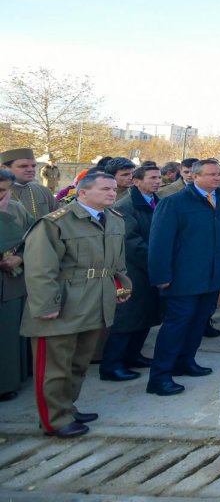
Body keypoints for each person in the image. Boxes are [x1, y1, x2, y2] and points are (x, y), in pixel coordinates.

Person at [20, 173, 130, 437]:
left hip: (96, 301)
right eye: (105, 189)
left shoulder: (114, 219)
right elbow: (40, 269)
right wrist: (46, 306)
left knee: (79, 363)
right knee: (55, 367)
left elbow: (117, 263)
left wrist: (121, 286)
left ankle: (67, 408)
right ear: (83, 192)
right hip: (63, 303)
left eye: (113, 189)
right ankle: (54, 420)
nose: (112, 193)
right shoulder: (55, 223)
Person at [147, 159, 220, 396]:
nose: (217, 178)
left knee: (199, 321)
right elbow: (159, 242)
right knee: (177, 325)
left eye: (219, 174)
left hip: (212, 274)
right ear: (194, 177)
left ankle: (185, 361)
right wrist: (161, 275)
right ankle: (160, 376)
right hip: (183, 276)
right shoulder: (174, 202)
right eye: (211, 174)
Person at [99, 163, 162, 381]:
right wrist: (157, 263)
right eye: (152, 178)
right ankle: (112, 365)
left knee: (145, 316)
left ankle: (133, 356)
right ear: (137, 181)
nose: (157, 181)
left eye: (159, 177)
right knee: (127, 318)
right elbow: (132, 243)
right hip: (133, 270)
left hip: (150, 268)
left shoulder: (156, 202)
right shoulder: (125, 206)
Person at [0, 167, 32, 402]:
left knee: (8, 335)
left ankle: (7, 382)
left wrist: (20, 257)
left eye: (3, 191)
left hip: (10, 284)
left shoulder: (16, 208)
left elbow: (34, 235)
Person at [1, 148, 59, 217]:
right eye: (23, 166)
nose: (31, 169)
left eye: (33, 166)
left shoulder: (43, 191)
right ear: (4, 168)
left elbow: (58, 217)